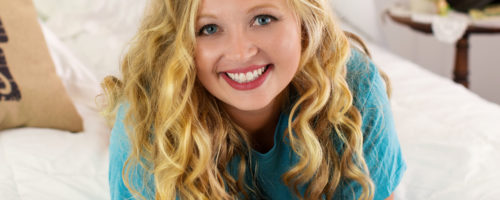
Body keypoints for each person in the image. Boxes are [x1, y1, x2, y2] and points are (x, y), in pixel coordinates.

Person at [102, 0, 406, 199]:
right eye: (209, 28)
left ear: (304, 21)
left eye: (263, 19)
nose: (240, 52)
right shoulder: (146, 123)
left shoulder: (353, 87)